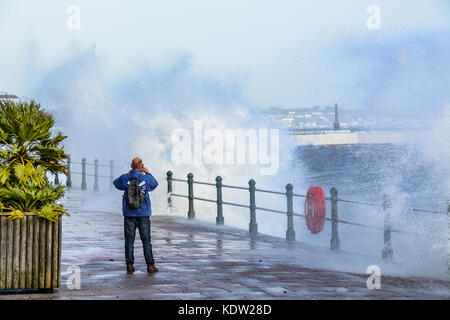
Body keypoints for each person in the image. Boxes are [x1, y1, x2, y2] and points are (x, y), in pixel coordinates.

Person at [113, 157, 159, 274]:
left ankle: (129, 265)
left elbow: (116, 184)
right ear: (142, 165)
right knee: (146, 240)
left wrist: (128, 174)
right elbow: (155, 184)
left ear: (131, 165)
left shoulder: (125, 177)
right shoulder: (146, 178)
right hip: (143, 213)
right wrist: (148, 172)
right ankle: (150, 265)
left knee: (129, 241)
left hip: (129, 214)